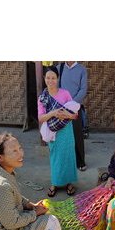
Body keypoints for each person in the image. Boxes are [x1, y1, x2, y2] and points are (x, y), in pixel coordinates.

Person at [38, 65, 78, 197]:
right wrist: (54, 113)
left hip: (66, 130)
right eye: (48, 78)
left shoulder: (65, 93)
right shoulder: (42, 98)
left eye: (53, 78)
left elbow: (75, 115)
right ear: (44, 78)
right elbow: (41, 118)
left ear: (58, 78)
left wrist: (66, 115)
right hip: (53, 131)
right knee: (55, 157)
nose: (50, 81)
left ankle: (69, 183)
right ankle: (55, 183)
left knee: (68, 156)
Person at [57, 61, 88, 171]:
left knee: (77, 135)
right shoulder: (59, 68)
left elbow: (83, 90)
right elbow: (55, 87)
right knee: (62, 135)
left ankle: (80, 162)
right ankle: (65, 162)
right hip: (61, 108)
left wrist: (71, 104)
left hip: (75, 108)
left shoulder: (82, 70)